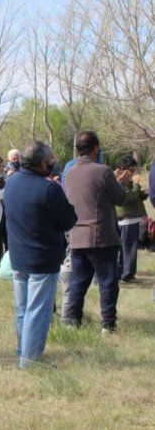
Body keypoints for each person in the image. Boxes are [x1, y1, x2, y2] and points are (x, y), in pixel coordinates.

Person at [6, 141, 77, 369]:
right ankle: (30, 361)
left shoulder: (12, 182)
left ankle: (22, 353)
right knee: (37, 312)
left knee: (23, 310)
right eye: (50, 160)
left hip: (18, 257)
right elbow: (69, 220)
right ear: (41, 163)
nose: (52, 163)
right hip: (43, 259)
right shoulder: (49, 188)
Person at [64, 131, 135, 333]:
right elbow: (121, 198)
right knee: (108, 283)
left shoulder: (69, 172)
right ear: (96, 148)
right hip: (101, 237)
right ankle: (108, 325)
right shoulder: (102, 171)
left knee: (78, 283)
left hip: (77, 236)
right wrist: (119, 182)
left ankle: (71, 322)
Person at [114, 156, 147, 283]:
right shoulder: (118, 183)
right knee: (128, 249)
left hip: (131, 219)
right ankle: (126, 274)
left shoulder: (127, 183)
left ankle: (126, 273)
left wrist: (142, 193)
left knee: (127, 248)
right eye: (131, 170)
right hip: (126, 219)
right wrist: (137, 187)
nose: (133, 174)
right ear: (123, 170)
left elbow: (135, 196)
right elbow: (126, 198)